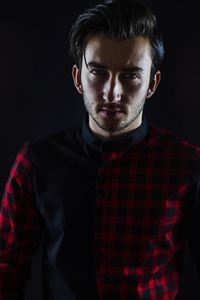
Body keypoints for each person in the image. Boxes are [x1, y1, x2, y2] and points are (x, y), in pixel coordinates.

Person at [0, 0, 200, 299]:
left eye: (130, 75)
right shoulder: (37, 162)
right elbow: (5, 271)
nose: (112, 92)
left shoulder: (186, 166)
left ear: (152, 84)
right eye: (98, 72)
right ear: (78, 77)